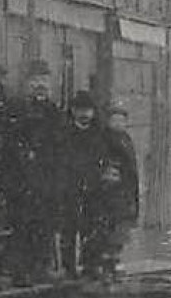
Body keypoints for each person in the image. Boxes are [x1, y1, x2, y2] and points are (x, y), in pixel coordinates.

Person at [59, 91, 140, 279]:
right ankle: (68, 267)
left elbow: (109, 157)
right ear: (73, 111)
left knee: (91, 227)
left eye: (87, 110)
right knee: (69, 227)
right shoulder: (64, 133)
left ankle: (91, 265)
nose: (84, 114)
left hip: (94, 188)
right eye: (80, 110)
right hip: (71, 186)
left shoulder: (99, 134)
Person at [0, 61, 64, 285]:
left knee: (44, 225)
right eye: (35, 80)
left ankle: (41, 267)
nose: (40, 85)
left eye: (44, 80)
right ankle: (21, 271)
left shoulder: (54, 112)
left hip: (46, 180)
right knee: (21, 226)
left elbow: (60, 145)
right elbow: (8, 145)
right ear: (27, 83)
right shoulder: (16, 109)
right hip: (21, 180)